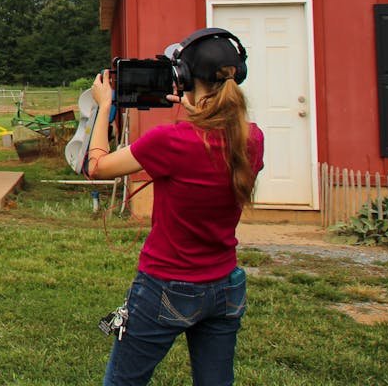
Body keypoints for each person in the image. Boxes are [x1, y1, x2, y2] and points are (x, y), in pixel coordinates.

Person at [88, 29, 265, 386]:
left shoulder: (168, 141)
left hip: (166, 285)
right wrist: (198, 111)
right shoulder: (253, 138)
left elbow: (97, 167)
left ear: (182, 78)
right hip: (225, 286)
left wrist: (105, 105)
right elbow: (213, 140)